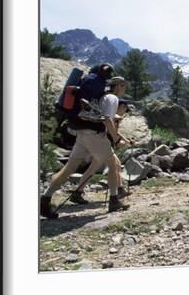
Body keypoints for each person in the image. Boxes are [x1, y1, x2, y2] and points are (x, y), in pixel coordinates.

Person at [40, 76, 131, 218]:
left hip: (81, 134)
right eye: (124, 86)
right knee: (113, 165)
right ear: (118, 86)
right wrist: (116, 138)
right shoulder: (112, 98)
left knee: (68, 169)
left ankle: (45, 200)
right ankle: (114, 201)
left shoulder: (100, 97)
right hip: (95, 135)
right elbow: (107, 119)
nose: (125, 89)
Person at [70, 99, 132, 203]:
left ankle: (78, 192)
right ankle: (118, 191)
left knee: (96, 168)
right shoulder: (113, 116)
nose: (125, 112)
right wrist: (119, 142)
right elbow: (114, 132)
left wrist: (126, 140)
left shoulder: (112, 115)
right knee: (112, 165)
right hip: (102, 145)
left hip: (100, 144)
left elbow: (116, 132)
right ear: (121, 106)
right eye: (125, 109)